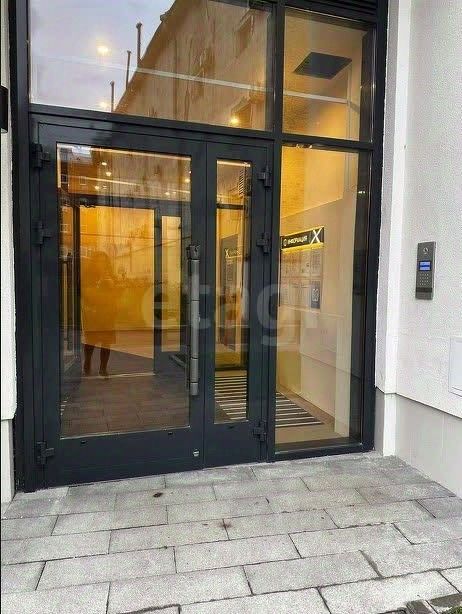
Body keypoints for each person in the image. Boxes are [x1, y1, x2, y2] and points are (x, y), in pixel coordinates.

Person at [80, 250, 118, 377]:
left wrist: (112, 285)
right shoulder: (88, 277)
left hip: (107, 314)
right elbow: (87, 294)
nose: (102, 264)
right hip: (93, 314)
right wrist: (99, 285)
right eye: (99, 261)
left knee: (106, 342)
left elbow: (116, 295)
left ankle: (103, 368)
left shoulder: (110, 275)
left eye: (104, 261)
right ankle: (87, 362)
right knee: (91, 341)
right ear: (94, 263)